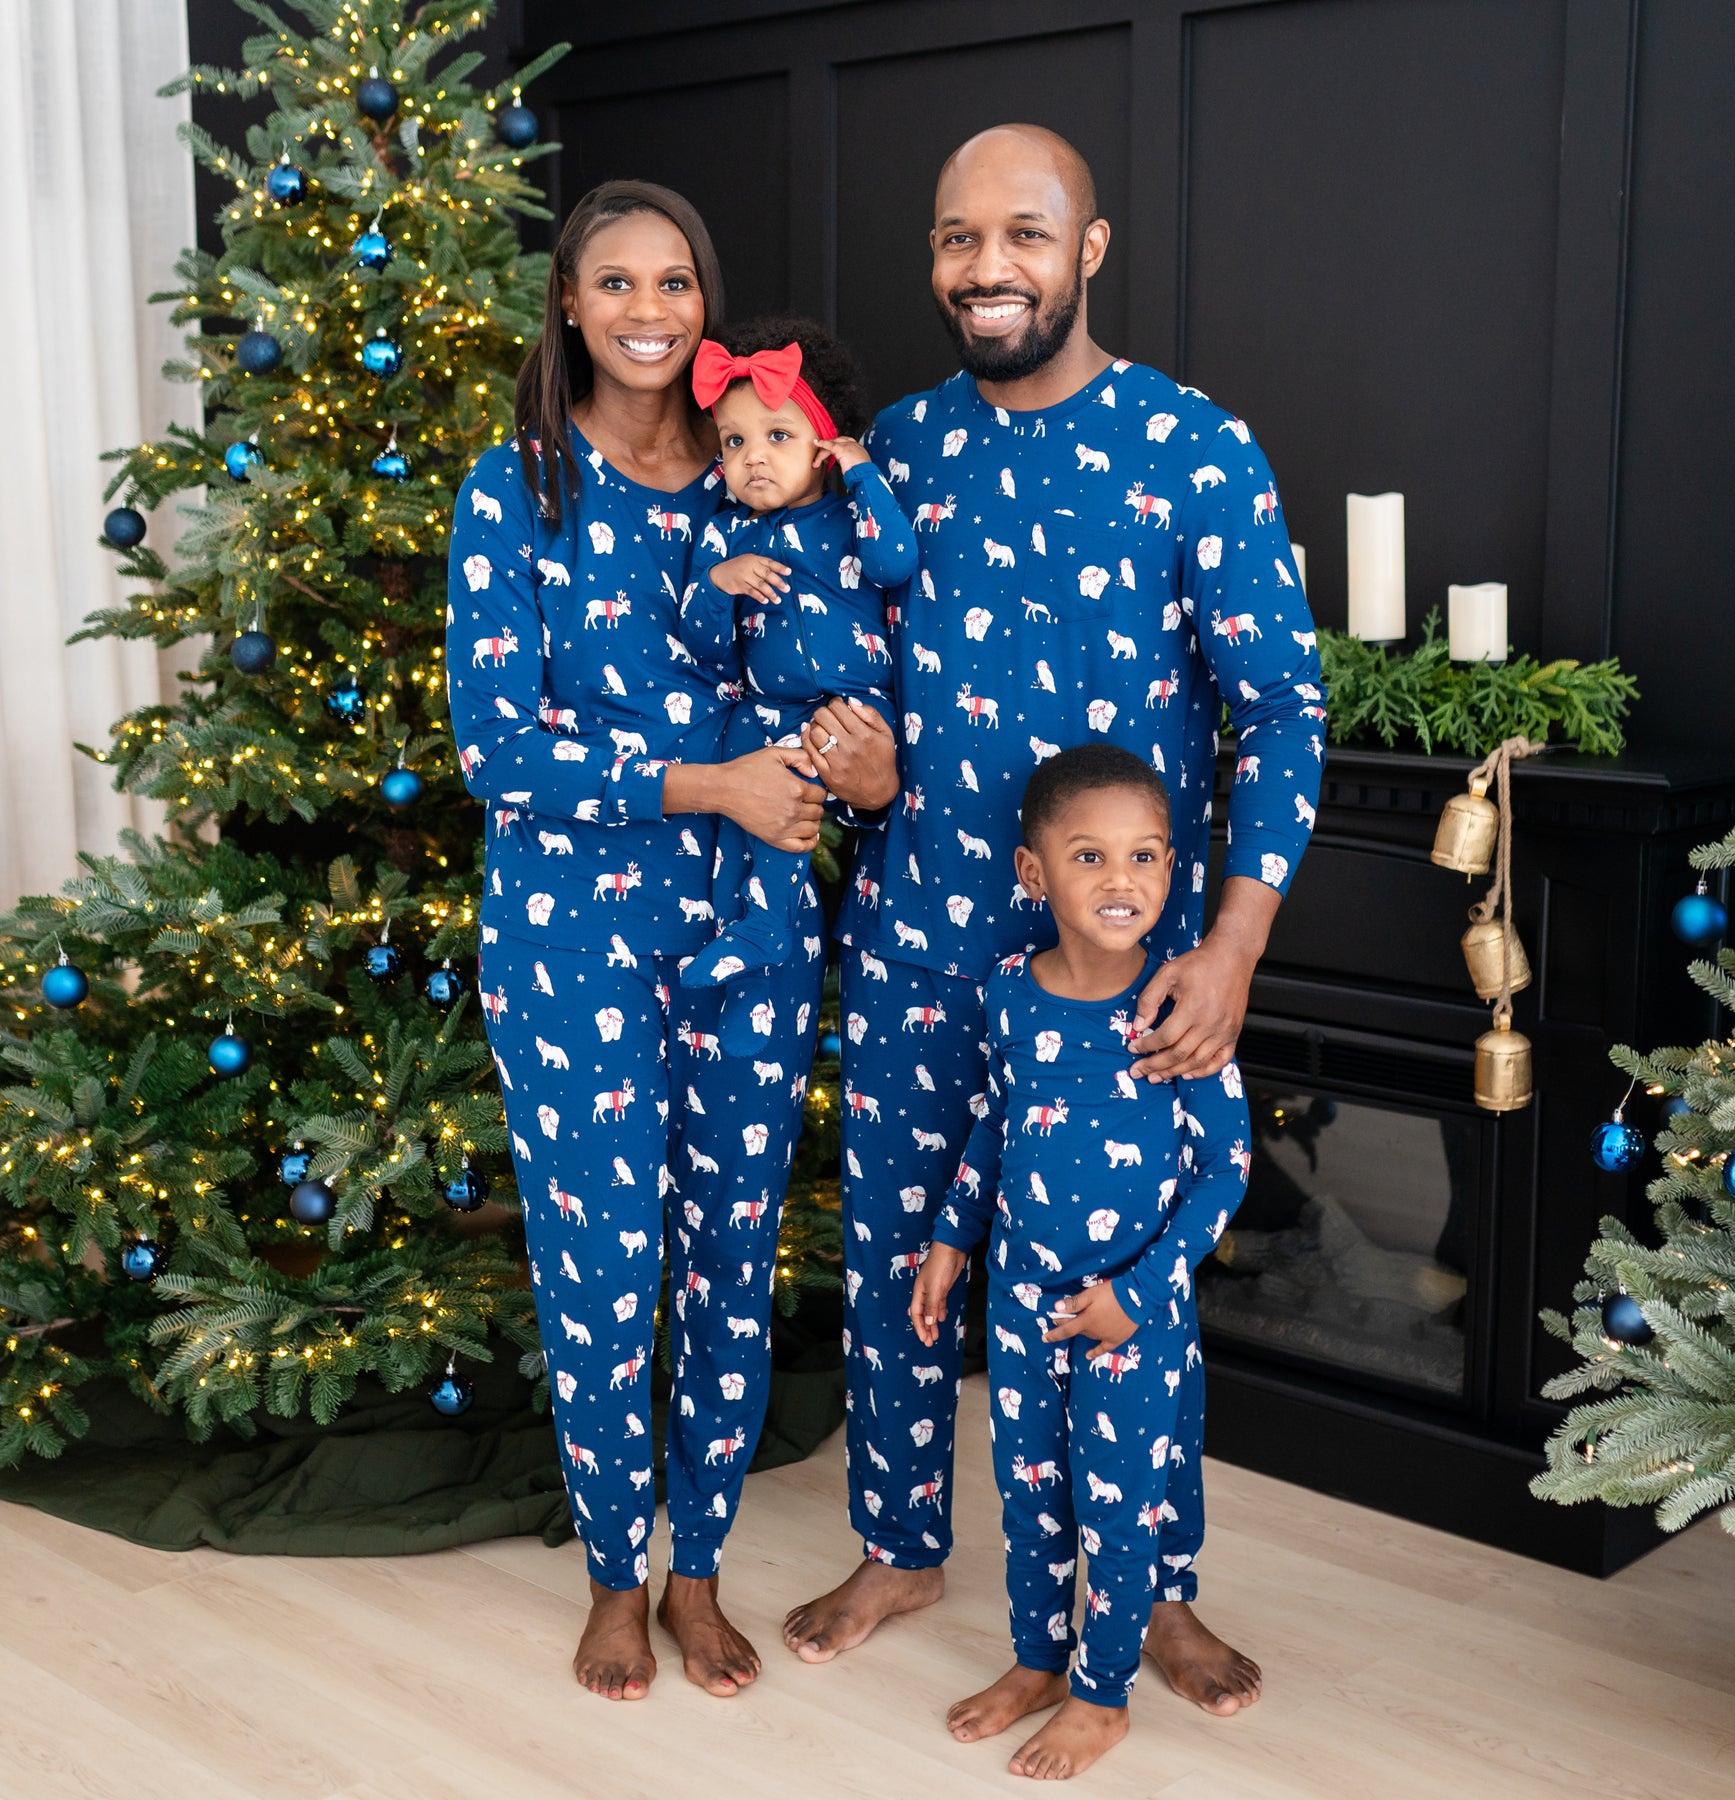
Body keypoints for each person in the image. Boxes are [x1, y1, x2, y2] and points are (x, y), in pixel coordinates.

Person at [784, 124, 1326, 1717]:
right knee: (902, 1251)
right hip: (915, 945)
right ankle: (901, 1542)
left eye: (1023, 235)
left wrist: (1227, 945)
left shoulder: (1194, 446)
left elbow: (1282, 714)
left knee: (1118, 1292)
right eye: (959, 239)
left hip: (1116, 972)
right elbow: (845, 669)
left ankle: (1148, 1596)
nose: (987, 267)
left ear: (1087, 251)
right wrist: (865, 764)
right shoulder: (893, 450)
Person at [446, 180, 869, 1703]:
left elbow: (831, 657)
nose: (646, 309)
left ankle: (700, 1571)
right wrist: (707, 784)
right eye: (614, 282)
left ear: (705, 302)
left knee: (730, 1262)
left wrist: (834, 766)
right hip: (574, 944)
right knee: (602, 1269)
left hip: (752, 926)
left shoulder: (768, 473)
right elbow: (496, 747)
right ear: (569, 302)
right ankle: (614, 1577)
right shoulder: (519, 489)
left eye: (675, 281)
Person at [911, 744, 1252, 1779]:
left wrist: (1138, 1299)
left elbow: (1225, 1172)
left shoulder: (1180, 1002)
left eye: (1146, 856)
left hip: (1130, 1322)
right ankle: (1038, 1661)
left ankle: (1103, 1699)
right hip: (1021, 1306)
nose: (1123, 880)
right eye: (1092, 857)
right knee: (1029, 1493)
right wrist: (948, 1238)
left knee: (1119, 1503)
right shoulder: (1008, 993)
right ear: (1034, 875)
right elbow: (993, 1125)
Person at [677, 319, 914, 1052]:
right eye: (735, 441)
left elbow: (895, 563)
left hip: (848, 707)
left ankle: (766, 928)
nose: (752, 459)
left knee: (784, 806)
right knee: (732, 810)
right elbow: (701, 642)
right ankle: (745, 947)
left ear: (823, 442)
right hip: (767, 707)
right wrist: (718, 586)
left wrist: (864, 472)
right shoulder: (729, 536)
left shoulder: (847, 515)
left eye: (777, 437)